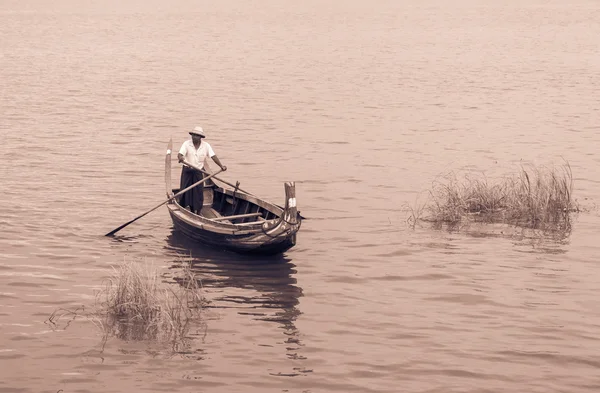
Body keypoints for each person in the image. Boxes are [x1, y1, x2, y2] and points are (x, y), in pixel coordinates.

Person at [177, 126, 227, 214]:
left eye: (196, 135)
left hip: (198, 171)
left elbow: (213, 156)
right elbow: (180, 154)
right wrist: (180, 158)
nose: (194, 137)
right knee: (185, 191)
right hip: (187, 171)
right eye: (193, 135)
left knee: (198, 192)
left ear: (200, 137)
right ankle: (186, 208)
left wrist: (221, 166)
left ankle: (198, 211)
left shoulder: (206, 146)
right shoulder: (186, 144)